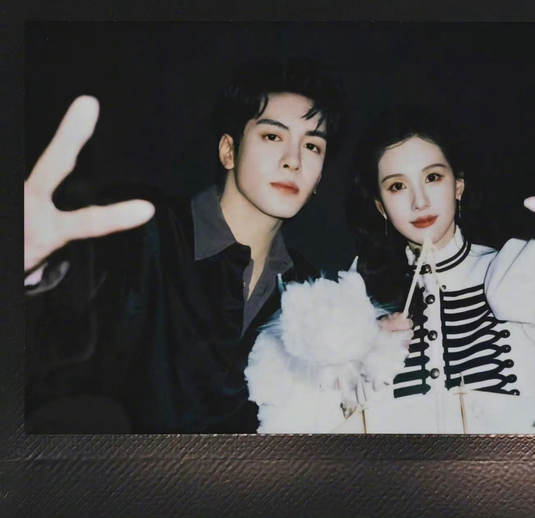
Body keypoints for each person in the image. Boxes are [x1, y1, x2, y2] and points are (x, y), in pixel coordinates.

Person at [245, 104, 535, 434]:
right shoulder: (353, 304)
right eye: (397, 186)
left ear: (459, 185)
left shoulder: (518, 267)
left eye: (433, 178)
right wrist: (358, 362)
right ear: (380, 206)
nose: (419, 201)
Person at [24, 58, 347, 433]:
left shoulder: (309, 290)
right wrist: (30, 265)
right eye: (273, 136)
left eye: (312, 145)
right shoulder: (141, 230)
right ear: (229, 151)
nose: (293, 161)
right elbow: (60, 311)